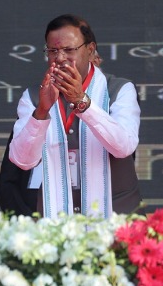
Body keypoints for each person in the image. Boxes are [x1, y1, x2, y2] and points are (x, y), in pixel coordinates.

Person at [8, 14, 141, 218]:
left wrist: (82, 102)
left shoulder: (120, 89)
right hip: (57, 224)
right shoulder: (33, 97)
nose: (60, 58)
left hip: (116, 220)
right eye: (53, 51)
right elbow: (22, 160)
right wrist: (42, 112)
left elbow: (123, 147)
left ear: (90, 50)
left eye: (69, 50)